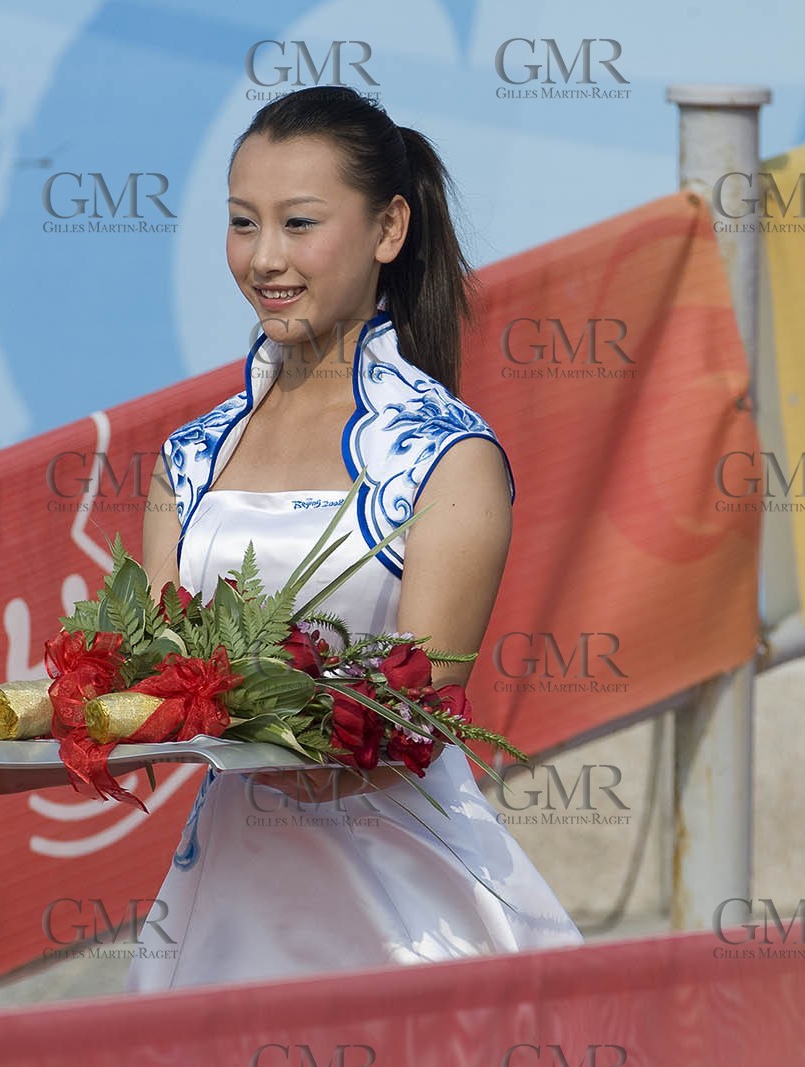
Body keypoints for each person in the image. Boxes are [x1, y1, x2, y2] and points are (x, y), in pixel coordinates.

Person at [125, 86, 583, 991]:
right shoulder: (191, 455)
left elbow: (421, 706)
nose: (264, 259)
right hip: (227, 897)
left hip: (408, 910)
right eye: (241, 224)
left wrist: (275, 731)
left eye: (299, 224)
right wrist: (55, 743)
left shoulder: (448, 457)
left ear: (388, 229)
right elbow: (155, 670)